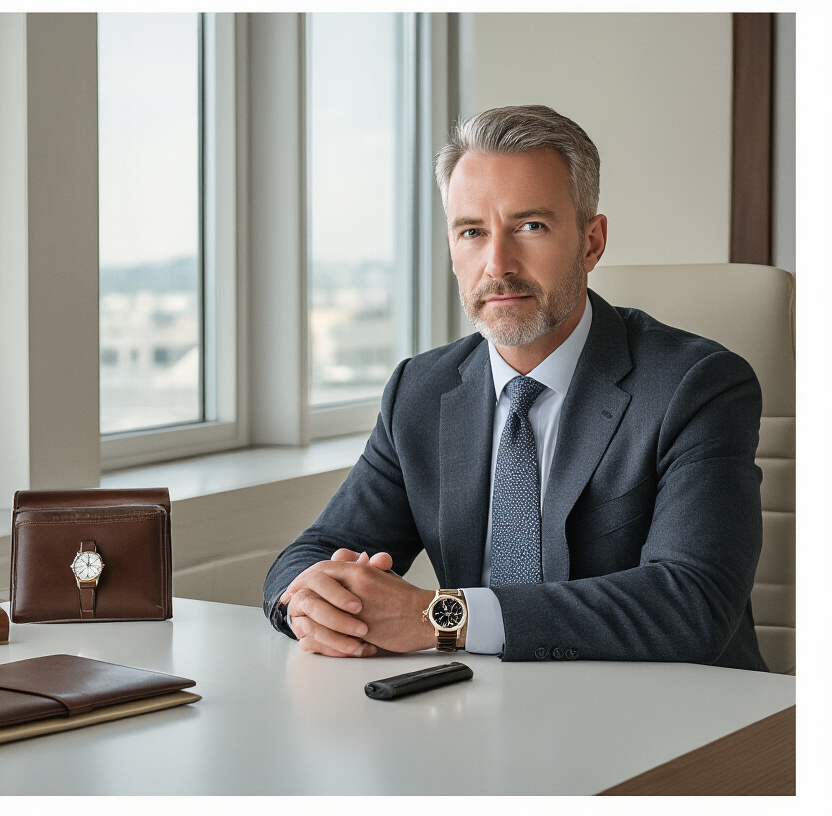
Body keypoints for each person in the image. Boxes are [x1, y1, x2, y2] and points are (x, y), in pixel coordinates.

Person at [262, 104, 767, 671]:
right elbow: (312, 554)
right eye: (472, 232)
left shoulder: (696, 386)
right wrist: (310, 605)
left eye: (531, 226)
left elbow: (693, 604)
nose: (497, 264)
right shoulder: (420, 391)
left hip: (674, 711)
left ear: (592, 242)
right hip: (478, 706)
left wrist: (440, 618)